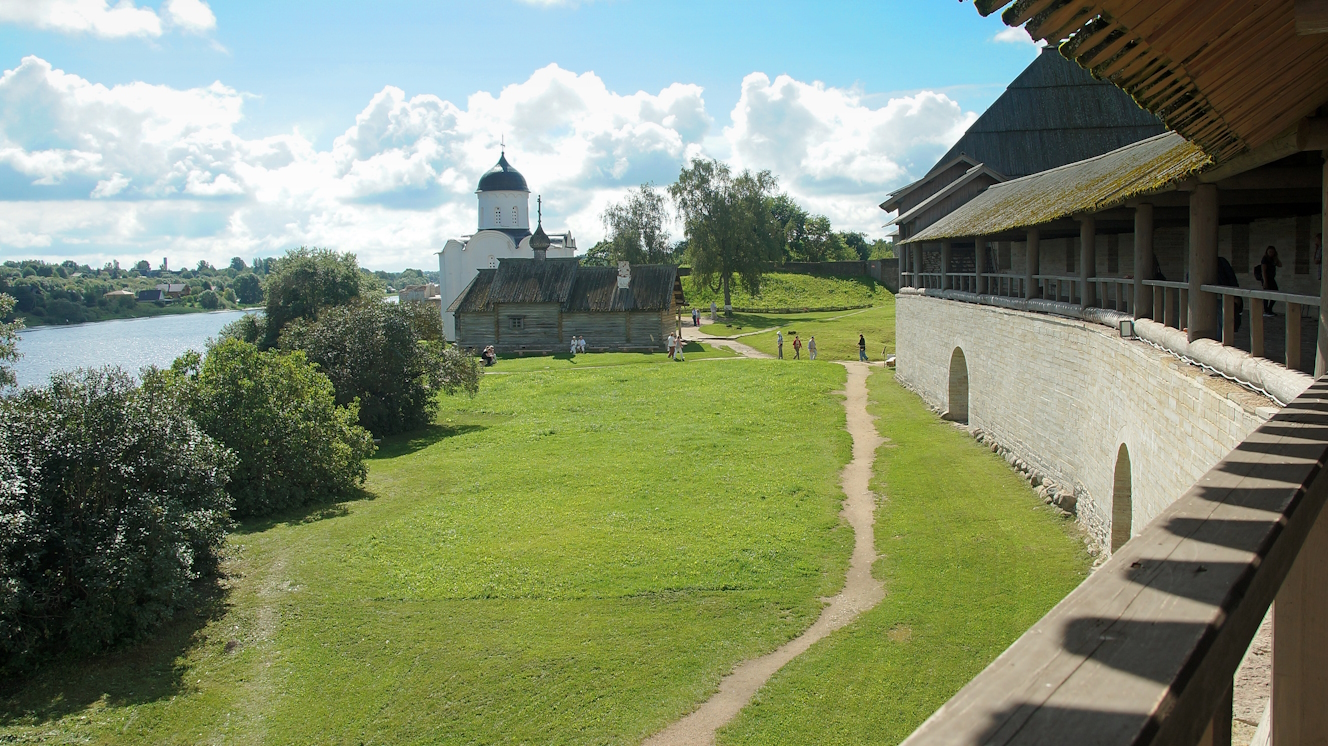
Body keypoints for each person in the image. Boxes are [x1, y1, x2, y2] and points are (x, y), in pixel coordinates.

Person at [1259, 245, 1282, 316]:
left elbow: (1280, 265)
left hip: (1272, 278)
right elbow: (1263, 271)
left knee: (1275, 293)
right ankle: (1266, 310)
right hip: (1266, 278)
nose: (1271, 253)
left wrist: (1276, 258)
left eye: (1272, 252)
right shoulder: (1265, 259)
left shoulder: (1273, 259)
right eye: (1270, 252)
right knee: (1266, 294)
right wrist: (1265, 281)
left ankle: (1269, 309)